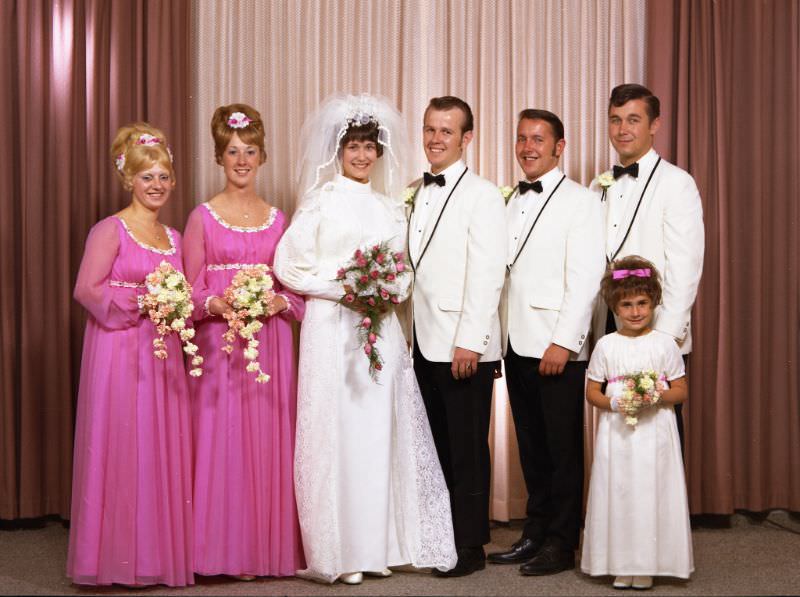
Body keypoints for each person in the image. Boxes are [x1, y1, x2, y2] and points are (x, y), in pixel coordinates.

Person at [273, 93, 457, 585]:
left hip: (379, 331)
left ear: (379, 152)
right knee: (338, 433)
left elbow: (403, 273)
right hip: (332, 330)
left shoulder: (389, 208)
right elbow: (287, 266)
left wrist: (383, 291)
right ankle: (340, 551)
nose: (361, 156)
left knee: (378, 433)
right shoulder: (320, 201)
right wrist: (345, 289)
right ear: (338, 150)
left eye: (368, 147)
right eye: (352, 146)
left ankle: (380, 545)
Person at [67, 123, 193, 587]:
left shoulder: (175, 238)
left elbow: (183, 294)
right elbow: (87, 289)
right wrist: (142, 303)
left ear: (173, 181)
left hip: (163, 353)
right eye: (147, 178)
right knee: (121, 446)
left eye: (163, 176)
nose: (156, 185)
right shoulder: (110, 229)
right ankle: (114, 560)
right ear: (129, 180)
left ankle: (153, 557)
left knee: (155, 450)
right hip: (118, 351)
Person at [183, 103, 305, 579]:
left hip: (270, 345)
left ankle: (261, 550)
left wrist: (280, 303)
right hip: (220, 344)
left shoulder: (279, 221)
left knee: (266, 441)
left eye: (250, 151)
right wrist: (217, 305)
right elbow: (188, 289)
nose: (241, 160)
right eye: (232, 151)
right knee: (222, 442)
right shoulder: (202, 218)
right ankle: (217, 553)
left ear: (262, 156)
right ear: (219, 156)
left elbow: (296, 288)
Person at [488, 110, 605, 575]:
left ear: (560, 146)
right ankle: (535, 532)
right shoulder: (508, 200)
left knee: (560, 450)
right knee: (531, 447)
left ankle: (561, 542)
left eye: (538, 139)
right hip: (515, 341)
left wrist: (565, 341)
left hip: (556, 346)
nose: (528, 147)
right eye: (521, 138)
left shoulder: (582, 202)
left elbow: (585, 277)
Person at [406, 96, 507, 577]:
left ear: (467, 138)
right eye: (430, 129)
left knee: (467, 447)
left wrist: (470, 340)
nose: (435, 139)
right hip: (422, 340)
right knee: (437, 443)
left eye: (446, 131)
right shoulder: (415, 191)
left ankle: (470, 547)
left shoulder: (483, 195)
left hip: (463, 345)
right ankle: (441, 537)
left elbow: (489, 274)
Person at [591, 84, 704, 446]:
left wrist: (665, 340)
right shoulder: (598, 185)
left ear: (655, 125)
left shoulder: (677, 183)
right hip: (610, 326)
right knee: (618, 430)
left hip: (655, 329)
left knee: (660, 432)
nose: (623, 129)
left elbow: (686, 268)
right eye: (615, 120)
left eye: (633, 120)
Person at [582, 255, 694, 590]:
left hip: (655, 434)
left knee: (650, 491)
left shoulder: (664, 344)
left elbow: (681, 391)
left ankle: (647, 562)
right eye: (627, 304)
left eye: (642, 303)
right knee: (619, 491)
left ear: (654, 302)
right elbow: (592, 392)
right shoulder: (606, 346)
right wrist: (615, 402)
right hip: (617, 435)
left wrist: (654, 396)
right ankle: (619, 561)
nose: (635, 312)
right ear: (615, 306)